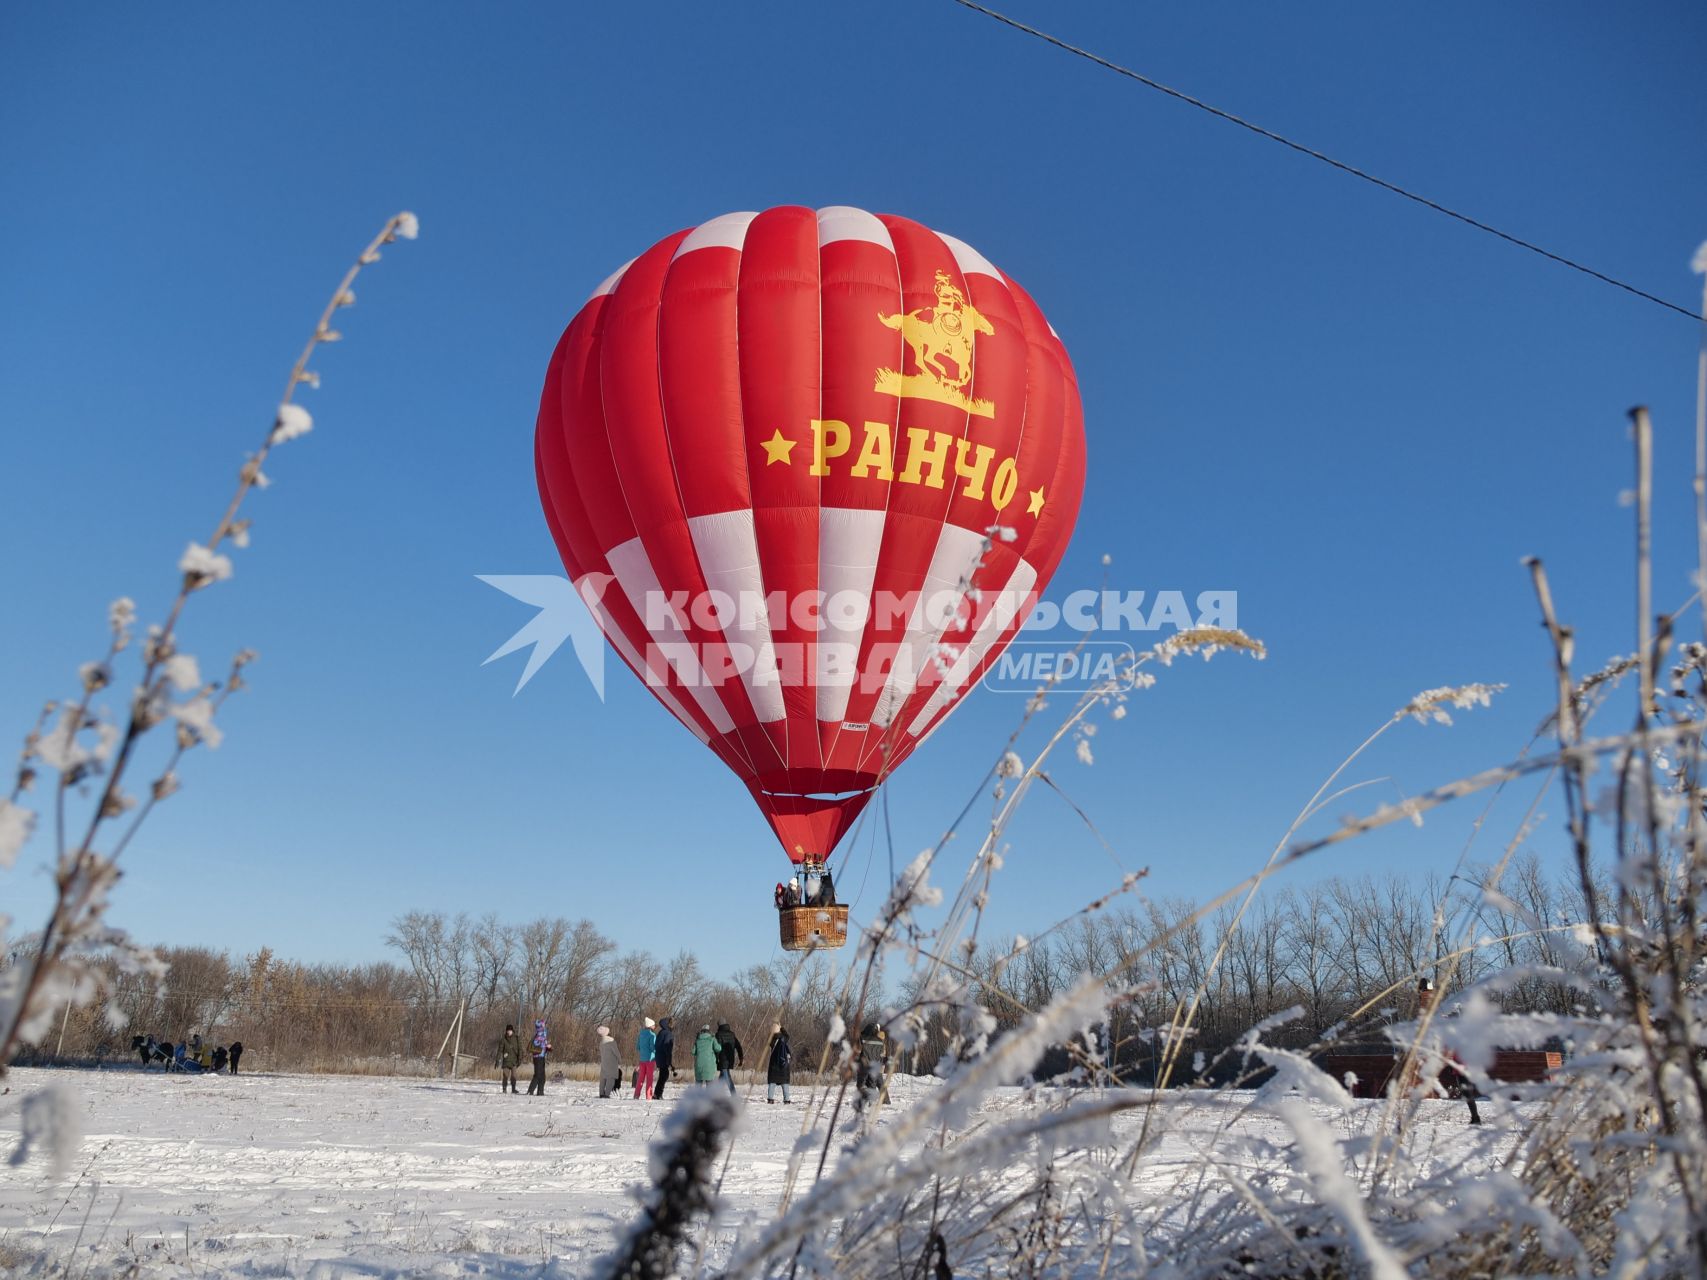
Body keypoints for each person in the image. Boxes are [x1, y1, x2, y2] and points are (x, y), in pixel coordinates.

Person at [765, 1023, 793, 1104]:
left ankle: (770, 1099)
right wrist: (782, 1028)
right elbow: (787, 1035)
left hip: (774, 1064)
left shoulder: (771, 1040)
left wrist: (772, 1030)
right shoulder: (783, 1038)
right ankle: (786, 1099)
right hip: (783, 1065)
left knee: (772, 1083)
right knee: (784, 1083)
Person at [715, 1020, 744, 1096]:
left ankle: (734, 1095)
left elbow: (717, 1049)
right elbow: (738, 1047)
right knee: (722, 1076)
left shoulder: (718, 1035)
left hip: (722, 1059)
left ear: (719, 1026)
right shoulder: (732, 1034)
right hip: (730, 1059)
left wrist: (715, 1059)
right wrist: (741, 1058)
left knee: (727, 1077)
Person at [634, 1017, 658, 1099]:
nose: (655, 1026)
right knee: (649, 1078)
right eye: (654, 1025)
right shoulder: (652, 1035)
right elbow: (653, 1048)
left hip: (642, 1059)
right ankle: (648, 1096)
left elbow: (637, 1047)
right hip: (650, 1059)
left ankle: (636, 1095)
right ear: (651, 1026)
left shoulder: (641, 1034)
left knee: (640, 1078)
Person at [496, 1024, 523, 1094]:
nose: (509, 1032)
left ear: (512, 1031)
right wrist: (497, 1060)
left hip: (514, 1061)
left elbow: (520, 1049)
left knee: (514, 1076)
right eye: (508, 1030)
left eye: (510, 1030)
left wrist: (520, 1059)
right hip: (506, 1061)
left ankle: (513, 1089)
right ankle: (504, 1089)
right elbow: (500, 1050)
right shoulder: (503, 1039)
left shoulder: (517, 1038)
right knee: (505, 1076)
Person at [653, 1017, 675, 1099]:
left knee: (663, 1075)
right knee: (664, 1076)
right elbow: (667, 1047)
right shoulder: (668, 1033)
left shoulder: (661, 1032)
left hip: (658, 1056)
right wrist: (669, 1060)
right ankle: (658, 1094)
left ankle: (657, 1094)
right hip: (663, 1057)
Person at [527, 1019, 551, 1095]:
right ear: (540, 1026)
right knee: (537, 1075)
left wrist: (548, 1047)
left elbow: (544, 1046)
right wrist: (545, 1045)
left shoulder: (543, 1034)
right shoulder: (538, 1035)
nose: (544, 1026)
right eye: (543, 1025)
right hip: (538, 1058)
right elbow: (538, 1045)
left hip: (542, 1057)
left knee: (542, 1077)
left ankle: (540, 1092)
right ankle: (530, 1091)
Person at [597, 1025, 622, 1098]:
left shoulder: (601, 1042)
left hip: (604, 1062)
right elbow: (616, 1052)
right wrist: (620, 1059)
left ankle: (601, 1093)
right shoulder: (611, 1041)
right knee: (611, 1078)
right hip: (612, 1062)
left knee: (603, 1078)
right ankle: (607, 1094)